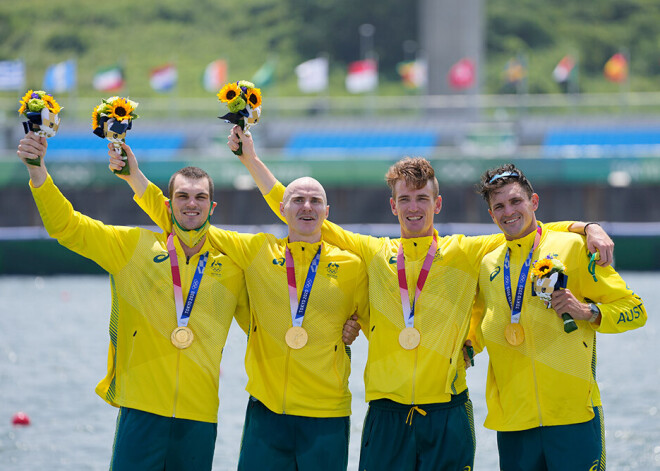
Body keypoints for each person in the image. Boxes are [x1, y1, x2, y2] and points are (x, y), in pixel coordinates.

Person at [222, 126, 615, 470]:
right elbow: (295, 210)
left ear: (437, 204)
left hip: (448, 415)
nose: (414, 207)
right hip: (386, 414)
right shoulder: (373, 253)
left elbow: (523, 228)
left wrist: (587, 227)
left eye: (422, 198)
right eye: (405, 199)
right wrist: (251, 160)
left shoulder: (466, 251)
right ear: (393, 206)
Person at [108, 139, 369, 471]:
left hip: (328, 413)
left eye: (316, 201)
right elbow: (187, 220)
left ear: (327, 212)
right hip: (266, 410)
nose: (307, 207)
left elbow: (381, 318)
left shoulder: (353, 265)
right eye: (298, 200)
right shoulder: (257, 251)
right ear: (283, 208)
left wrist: (356, 324)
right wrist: (135, 179)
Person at [17, 132, 250, 470]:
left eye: (200, 197)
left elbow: (271, 316)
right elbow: (67, 227)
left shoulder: (232, 266)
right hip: (141, 411)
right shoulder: (132, 247)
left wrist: (346, 325)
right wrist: (38, 173)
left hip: (200, 417)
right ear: (168, 205)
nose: (191, 203)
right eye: (182, 196)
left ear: (211, 206)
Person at [465, 164, 646, 471]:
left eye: (515, 201)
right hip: (514, 422)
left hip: (574, 416)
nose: (508, 211)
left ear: (533, 201)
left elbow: (635, 309)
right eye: (499, 206)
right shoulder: (487, 264)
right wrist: (463, 348)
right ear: (491, 215)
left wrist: (588, 312)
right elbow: (482, 322)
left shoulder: (574, 246)